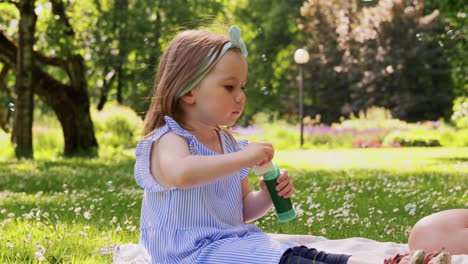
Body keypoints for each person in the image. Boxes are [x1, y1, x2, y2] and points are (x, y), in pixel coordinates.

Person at [133, 25, 450, 264]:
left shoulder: (227, 144)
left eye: (242, 86)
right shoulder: (168, 139)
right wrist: (243, 157)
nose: (241, 96)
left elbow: (242, 211)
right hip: (188, 253)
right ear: (188, 92)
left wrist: (267, 195)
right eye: (229, 87)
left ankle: (384, 261)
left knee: (301, 253)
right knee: (284, 260)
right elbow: (183, 174)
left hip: (229, 241)